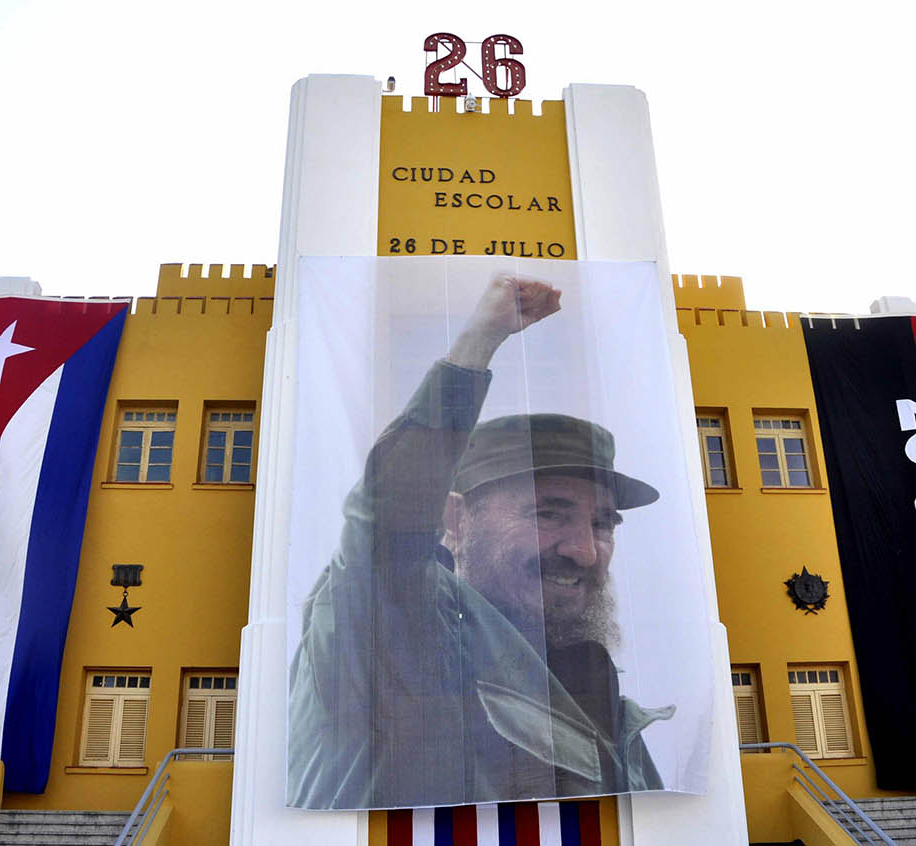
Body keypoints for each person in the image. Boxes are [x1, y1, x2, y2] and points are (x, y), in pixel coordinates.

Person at [287, 275, 673, 809]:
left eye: (602, 523)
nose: (584, 551)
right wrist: (477, 346)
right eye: (547, 513)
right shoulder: (397, 628)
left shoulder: (598, 697)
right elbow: (387, 524)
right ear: (455, 519)